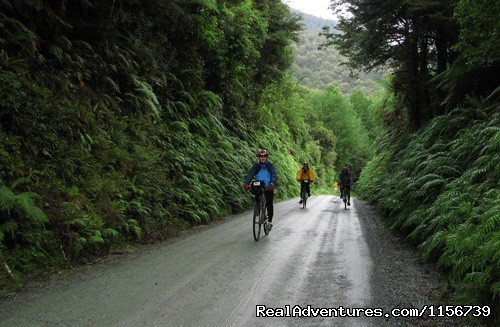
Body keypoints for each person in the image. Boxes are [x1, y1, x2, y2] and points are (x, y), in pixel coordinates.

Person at [243, 148, 277, 229]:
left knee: (269, 203)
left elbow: (273, 174)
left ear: (266, 157)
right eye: (261, 156)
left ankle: (269, 222)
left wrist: (272, 183)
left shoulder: (270, 165)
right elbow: (250, 174)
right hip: (259, 185)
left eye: (264, 156)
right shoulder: (256, 166)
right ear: (259, 157)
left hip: (269, 186)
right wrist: (247, 183)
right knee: (257, 196)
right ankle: (258, 208)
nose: (263, 158)